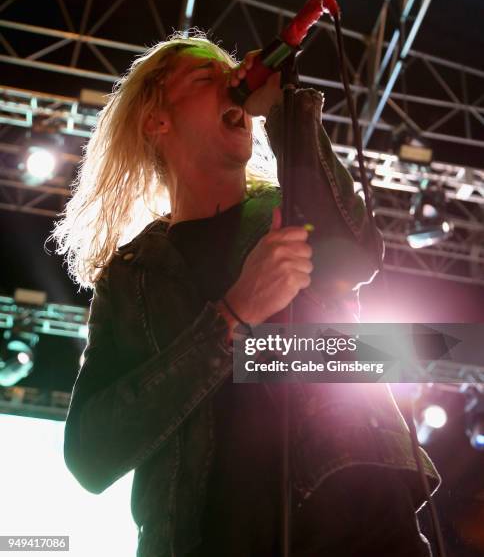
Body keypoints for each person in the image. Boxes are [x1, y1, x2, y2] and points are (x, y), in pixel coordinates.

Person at [52, 32, 440, 556]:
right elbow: (89, 456)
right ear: (157, 120)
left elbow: (356, 255)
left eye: (234, 74)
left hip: (358, 523)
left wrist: (284, 107)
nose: (234, 86)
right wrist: (231, 319)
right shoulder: (131, 279)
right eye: (206, 77)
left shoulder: (297, 208)